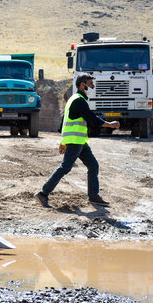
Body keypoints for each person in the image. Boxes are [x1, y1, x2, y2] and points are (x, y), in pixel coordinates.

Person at [34, 74, 120, 208]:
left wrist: (63, 141)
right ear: (82, 85)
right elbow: (92, 118)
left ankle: (94, 196)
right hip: (75, 141)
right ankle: (43, 193)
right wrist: (110, 124)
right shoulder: (79, 100)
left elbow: (64, 122)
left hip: (79, 141)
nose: (93, 86)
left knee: (93, 165)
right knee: (65, 168)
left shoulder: (74, 99)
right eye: (90, 83)